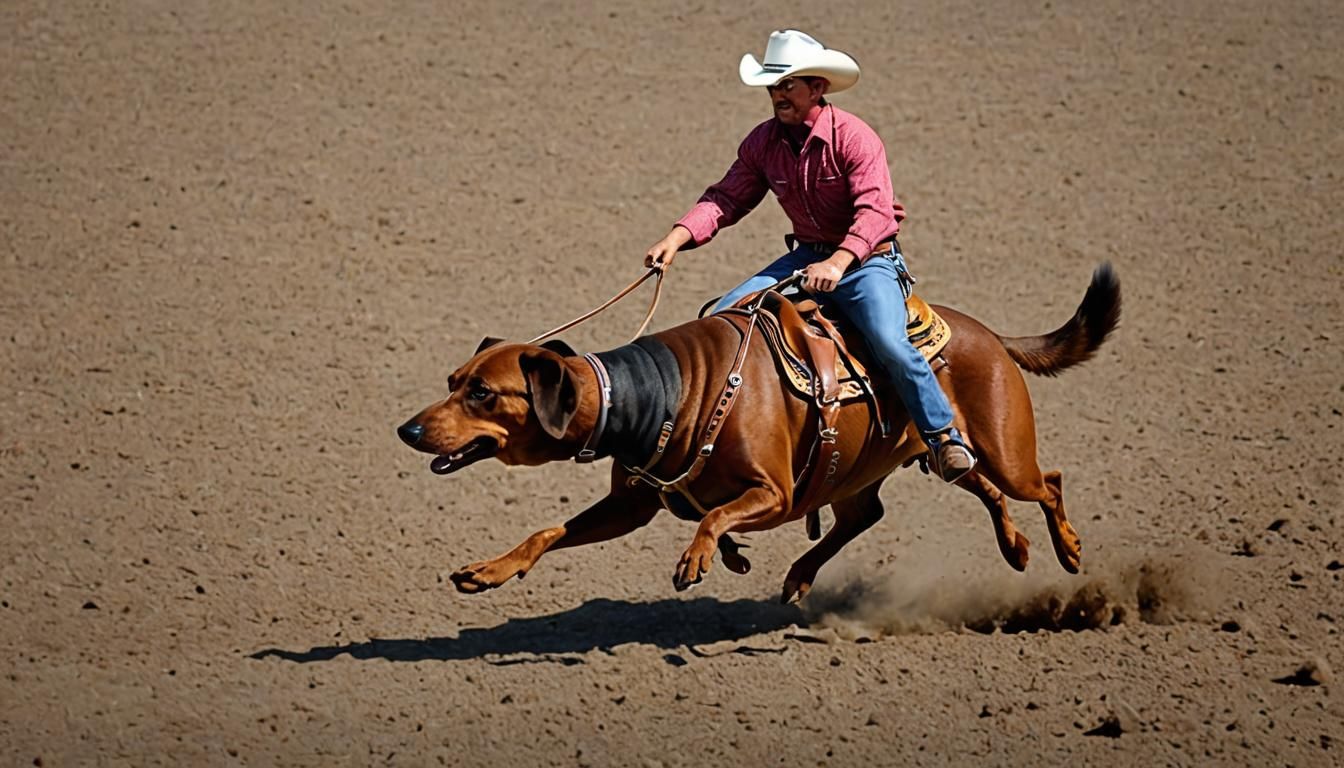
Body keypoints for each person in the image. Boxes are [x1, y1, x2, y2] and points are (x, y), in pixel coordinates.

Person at [644, 29, 976, 482]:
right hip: (804, 258)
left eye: (787, 85)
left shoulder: (855, 139)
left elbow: (875, 212)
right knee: (724, 317)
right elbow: (727, 198)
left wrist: (839, 262)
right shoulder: (763, 142)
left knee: (890, 341)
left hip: (865, 262)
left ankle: (943, 435)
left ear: (816, 87)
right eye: (773, 86)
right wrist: (678, 236)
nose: (777, 95)